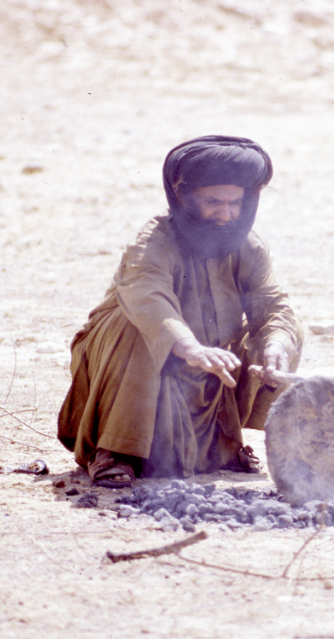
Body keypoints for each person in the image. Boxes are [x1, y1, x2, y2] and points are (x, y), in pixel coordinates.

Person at [57, 135, 304, 488]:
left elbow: (274, 304)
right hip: (138, 360)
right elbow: (148, 298)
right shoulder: (153, 241)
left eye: (235, 202)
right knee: (137, 327)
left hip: (210, 363)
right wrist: (189, 347)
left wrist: (276, 346)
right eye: (213, 201)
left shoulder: (249, 246)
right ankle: (116, 451)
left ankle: (221, 446)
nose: (226, 213)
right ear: (184, 196)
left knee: (283, 329)